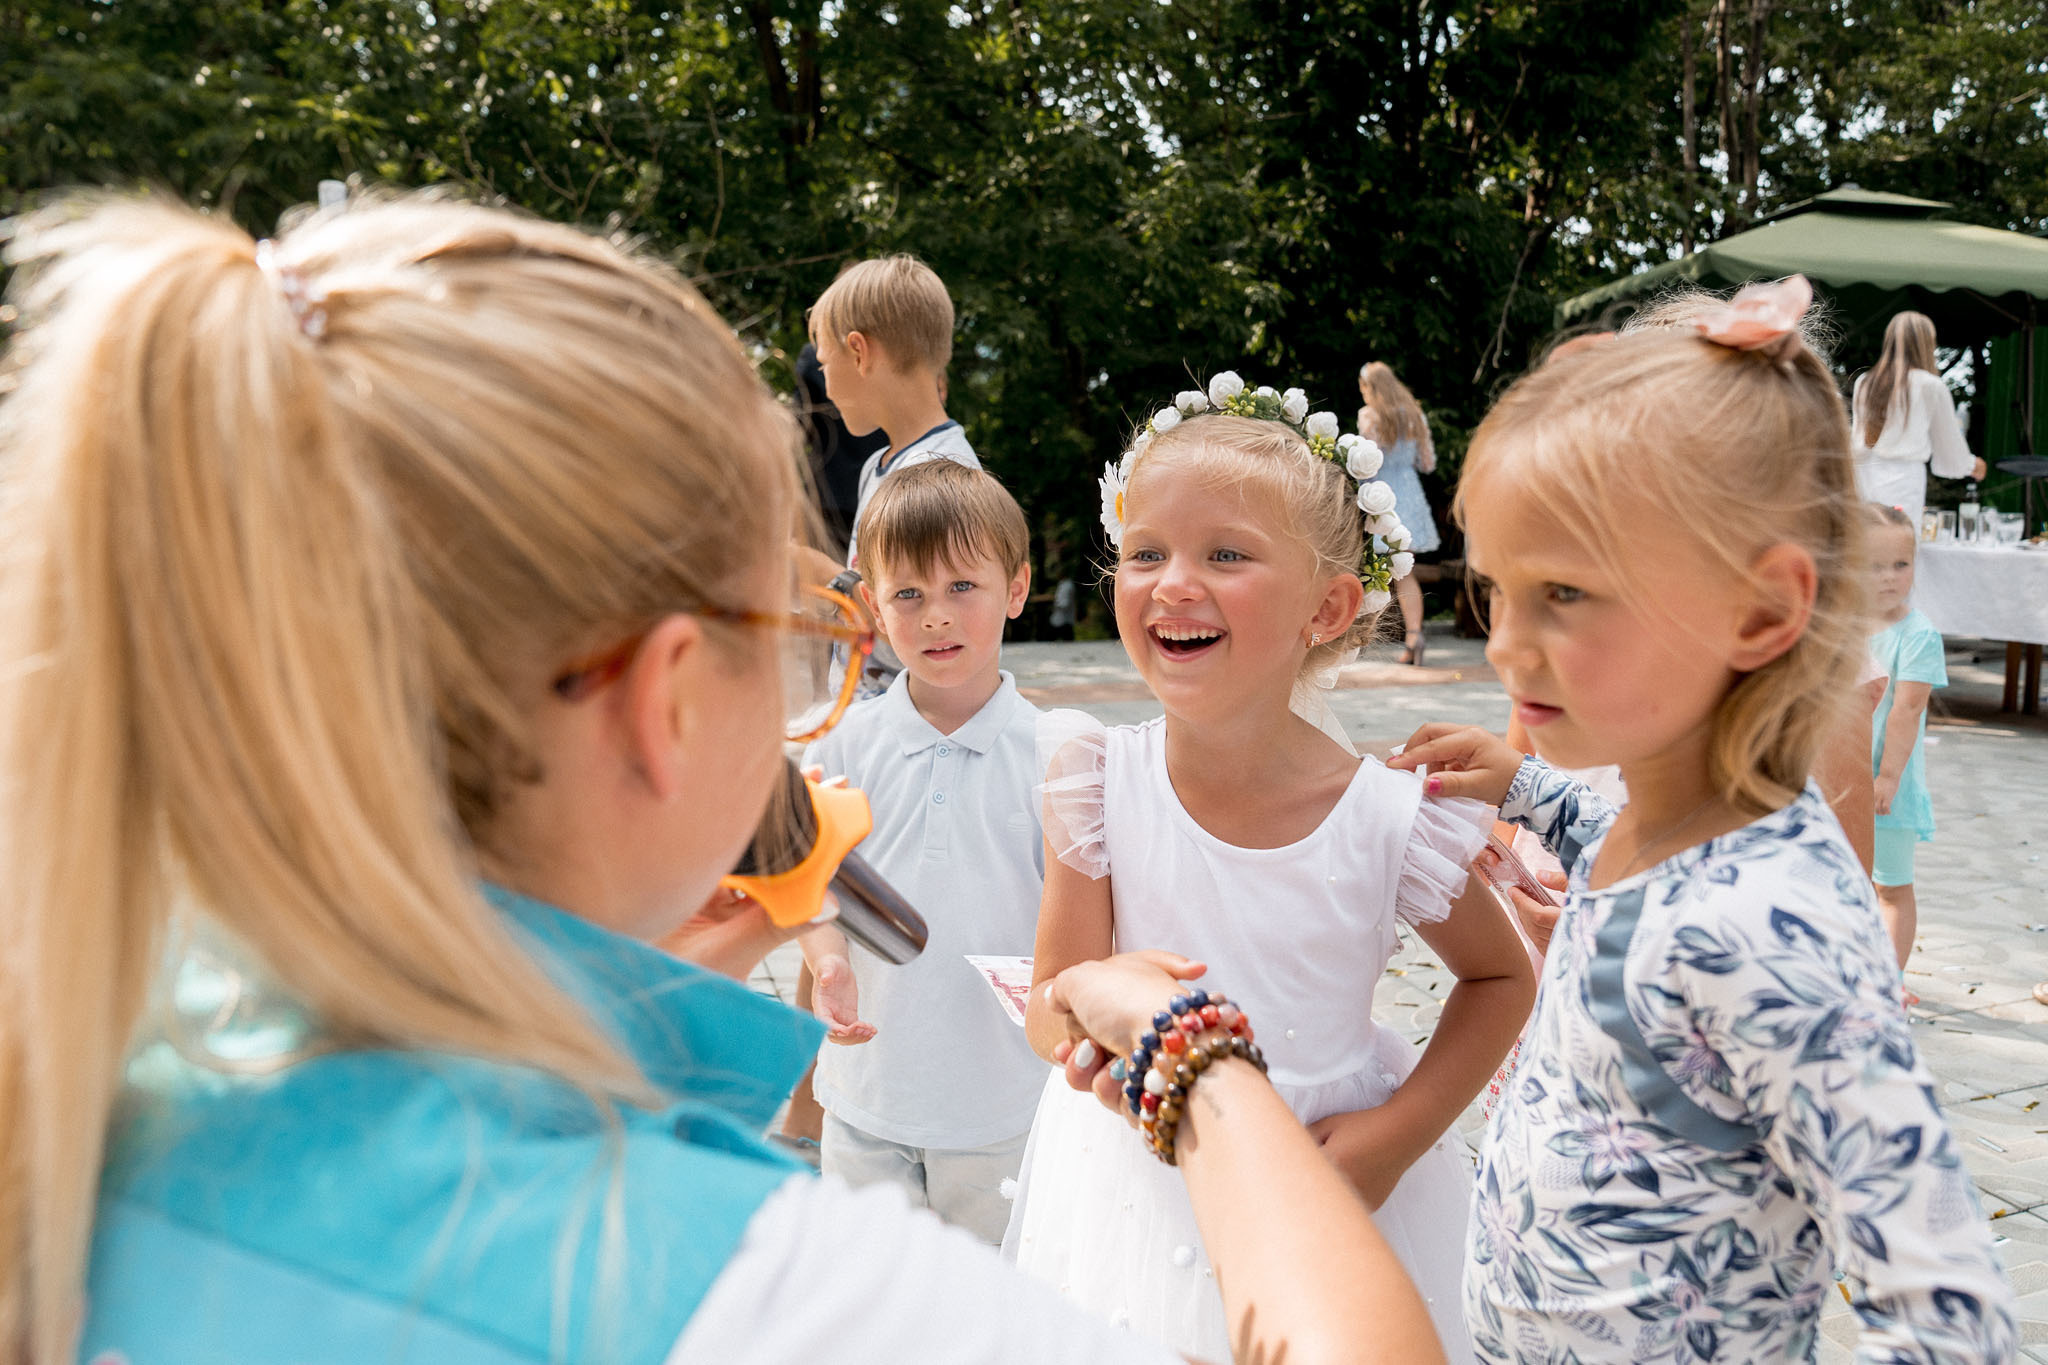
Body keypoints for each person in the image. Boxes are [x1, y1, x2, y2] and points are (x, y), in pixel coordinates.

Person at [0, 190, 1450, 1365]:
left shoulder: (84, 1072)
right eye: (804, 627)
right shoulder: (782, 1295)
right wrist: (1195, 1052)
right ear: (669, 696)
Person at [1390, 276, 2018, 1362]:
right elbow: (1621, 849)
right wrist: (1524, 785)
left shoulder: (1772, 931)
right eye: (1498, 592)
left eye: (1567, 595)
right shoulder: (1672, 816)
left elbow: (1945, 1310)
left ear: (1762, 609)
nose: (1503, 647)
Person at [1006, 377, 1536, 1362]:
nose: (1170, 582)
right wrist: (1086, 1028)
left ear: (1326, 607)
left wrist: (1401, 1131)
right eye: (1144, 552)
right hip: (1144, 1172)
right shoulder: (1092, 780)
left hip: (1332, 1169)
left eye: (1225, 555)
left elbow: (1502, 976)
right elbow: (1051, 1006)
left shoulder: (1389, 818)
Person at [796, 460, 1049, 1244]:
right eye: (909, 593)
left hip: (1006, 1109)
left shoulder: (1058, 751)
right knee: (878, 1310)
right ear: (873, 605)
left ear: (1015, 588)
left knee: (993, 1309)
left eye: (961, 588)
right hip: (866, 1099)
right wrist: (826, 954)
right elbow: (811, 876)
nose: (936, 616)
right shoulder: (844, 742)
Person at [808, 254, 981, 569]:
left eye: (824, 365)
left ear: (859, 352)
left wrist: (812, 571)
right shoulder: (878, 466)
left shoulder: (940, 478)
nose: (827, 388)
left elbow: (917, 612)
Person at [1867, 501, 1949, 970]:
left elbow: (1908, 707)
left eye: (1901, 565)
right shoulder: (1840, 626)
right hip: (1838, 780)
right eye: (1875, 566)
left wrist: (1888, 776)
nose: (1889, 577)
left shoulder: (1917, 635)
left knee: (1891, 886)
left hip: (1884, 787)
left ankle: (1888, 985)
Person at [1851, 309, 1987, 526]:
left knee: (1869, 548)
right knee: (1901, 548)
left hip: (1866, 479)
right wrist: (1972, 464)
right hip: (1905, 482)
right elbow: (1949, 449)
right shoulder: (1930, 385)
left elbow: (1858, 443)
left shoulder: (1865, 382)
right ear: (1927, 343)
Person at [1357, 361, 1441, 664]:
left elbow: (1367, 463)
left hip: (1382, 496)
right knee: (1405, 572)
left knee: (1374, 570)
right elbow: (1427, 464)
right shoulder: (1415, 416)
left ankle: (1360, 639)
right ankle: (1414, 636)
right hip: (1411, 497)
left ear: (1371, 388)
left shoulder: (1370, 417)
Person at [793, 339, 885, 556]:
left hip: (826, 495)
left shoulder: (816, 354)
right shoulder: (890, 351)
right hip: (879, 501)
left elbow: (799, 428)